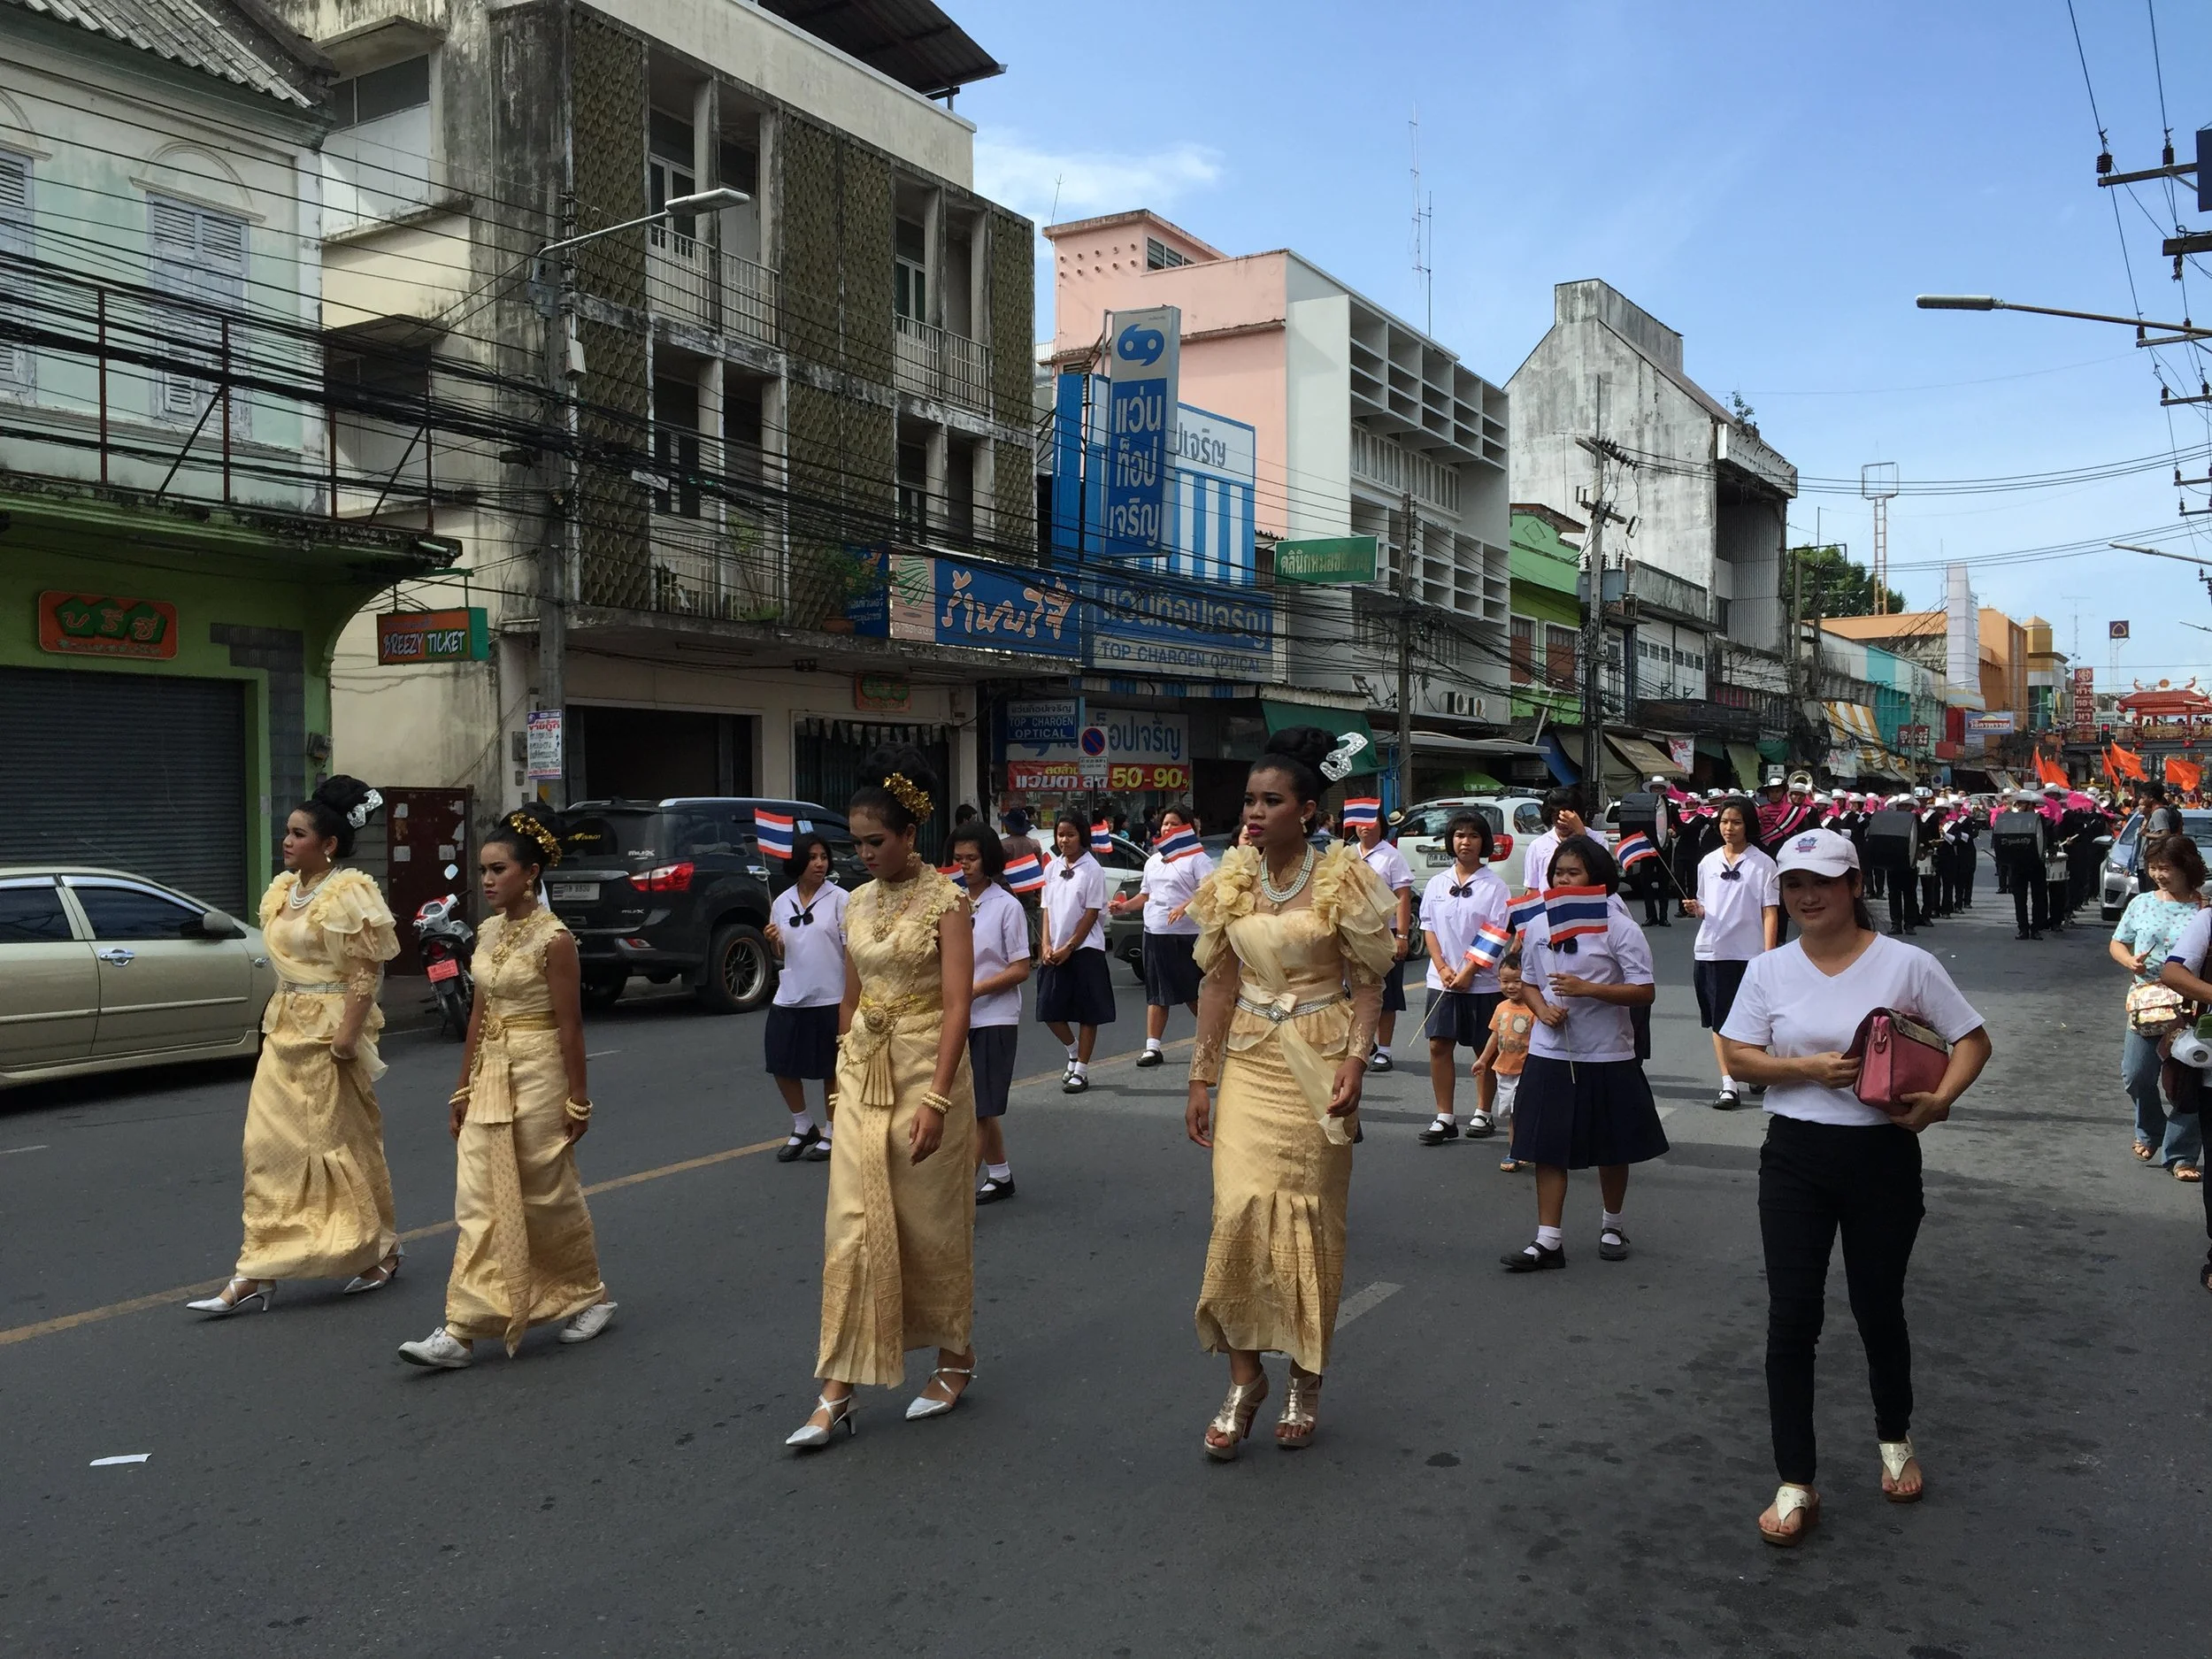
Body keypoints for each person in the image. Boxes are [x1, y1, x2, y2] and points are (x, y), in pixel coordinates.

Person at [1719, 828, 1993, 1548]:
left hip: (1882, 1154)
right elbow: (1739, 1056)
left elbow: (1971, 1039)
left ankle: (1893, 1432)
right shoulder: (1769, 970)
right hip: (1795, 1156)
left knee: (1877, 1303)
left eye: (1823, 881)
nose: (1808, 895)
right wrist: (1802, 1069)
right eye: (1794, 884)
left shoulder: (1908, 964)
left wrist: (1940, 1102)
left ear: (1854, 885)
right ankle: (1795, 1478)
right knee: (1792, 1315)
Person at [1184, 726, 1396, 1457]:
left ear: (1306, 809)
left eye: (1270, 800)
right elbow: (1217, 981)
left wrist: (1357, 1062)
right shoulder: (1233, 878)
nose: (1254, 811)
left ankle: (1306, 1373)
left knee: (1309, 1222)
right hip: (1248, 1055)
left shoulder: (1346, 878)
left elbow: (1369, 982)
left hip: (1319, 1055)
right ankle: (1245, 1379)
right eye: (1248, 799)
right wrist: (1200, 1076)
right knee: (1237, 1208)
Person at [786, 749, 978, 1448]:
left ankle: (955, 1354)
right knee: (853, 1223)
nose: (864, 854)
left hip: (928, 1068)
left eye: (876, 841)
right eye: (856, 843)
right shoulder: (855, 902)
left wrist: (937, 1099)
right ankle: (838, 1385)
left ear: (909, 835)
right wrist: (840, 1078)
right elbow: (851, 994)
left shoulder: (947, 900)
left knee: (926, 1223)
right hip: (865, 1070)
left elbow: (959, 1004)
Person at [397, 810, 617, 1368]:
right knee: (478, 1197)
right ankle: (462, 1329)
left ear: (532, 873)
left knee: (543, 1194)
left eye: (499, 870)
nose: (489, 881)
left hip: (540, 1073)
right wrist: (461, 1088)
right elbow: (478, 1014)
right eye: (484, 871)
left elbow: (570, 1026)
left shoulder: (554, 939)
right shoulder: (489, 931)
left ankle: (586, 1295)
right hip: (491, 1072)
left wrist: (579, 1098)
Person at [188, 777, 402, 1317]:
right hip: (283, 1032)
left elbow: (364, 971)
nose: (286, 841)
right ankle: (257, 1268)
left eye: (298, 833)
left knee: (341, 1145)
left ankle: (377, 1250)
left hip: (331, 1036)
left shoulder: (348, 891)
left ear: (327, 844)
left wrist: (348, 1038)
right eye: (287, 831)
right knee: (265, 1148)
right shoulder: (285, 890)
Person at [1499, 833, 1666, 1271]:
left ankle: (1613, 1224)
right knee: (1547, 1146)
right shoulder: (1538, 924)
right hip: (1551, 1054)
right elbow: (1529, 980)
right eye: (1558, 873)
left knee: (1612, 1146)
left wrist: (1589, 989)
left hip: (1608, 1054)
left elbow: (1644, 991)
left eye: (1574, 872)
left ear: (1597, 878)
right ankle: (1548, 1240)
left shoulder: (1620, 927)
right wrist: (1541, 1010)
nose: (1564, 880)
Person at [2113, 833, 2207, 1182]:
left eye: (2165, 868)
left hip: (2191, 1008)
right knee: (2136, 1074)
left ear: (2186, 868)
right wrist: (2129, 963)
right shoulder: (2141, 904)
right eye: (2153, 867)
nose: (2158, 875)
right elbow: (2117, 943)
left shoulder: (2203, 909)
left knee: (2189, 1083)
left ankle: (2181, 1154)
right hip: (2147, 1004)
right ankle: (2149, 1129)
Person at [1416, 811, 1511, 1144]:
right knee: (1439, 1044)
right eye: (1458, 835)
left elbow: (1496, 933)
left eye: (1473, 835)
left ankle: (1483, 1112)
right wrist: (1442, 968)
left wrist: (1470, 971)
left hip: (1483, 981)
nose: (1465, 841)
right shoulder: (1437, 883)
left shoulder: (1494, 886)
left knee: (1483, 1047)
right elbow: (1428, 928)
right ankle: (1445, 1116)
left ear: (1484, 842)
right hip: (1441, 981)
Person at [949, 824, 1032, 1204]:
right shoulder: (952, 903)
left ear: (989, 860)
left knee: (980, 1107)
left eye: (972, 858)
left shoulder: (1007, 906)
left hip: (994, 1017)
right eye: (959, 859)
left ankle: (959, 1194)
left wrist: (975, 990)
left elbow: (1020, 968)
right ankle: (1000, 1175)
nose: (965, 866)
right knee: (978, 1104)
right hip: (959, 1017)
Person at [1686, 795, 1780, 1111]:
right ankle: (1729, 1084)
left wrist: (1768, 955)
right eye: (1725, 822)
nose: (1729, 828)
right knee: (1720, 1021)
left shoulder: (1763, 864)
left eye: (1736, 822)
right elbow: (1706, 906)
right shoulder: (1708, 862)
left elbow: (1770, 911)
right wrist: (1696, 909)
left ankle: (1755, 1065)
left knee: (1756, 1018)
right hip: (1712, 951)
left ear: (1748, 825)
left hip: (1750, 953)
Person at [764, 832, 848, 1164]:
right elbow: (781, 952)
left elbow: (850, 950)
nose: (820, 863)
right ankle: (803, 1124)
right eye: (812, 858)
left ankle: (833, 1129)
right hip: (791, 994)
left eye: (823, 857)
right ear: (798, 862)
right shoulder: (782, 902)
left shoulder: (841, 899)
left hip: (831, 995)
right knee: (780, 1062)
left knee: (831, 1068)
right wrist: (772, 940)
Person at [1109, 805, 1214, 1070]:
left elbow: (1210, 890)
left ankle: (1214, 1041)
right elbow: (1145, 895)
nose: (1167, 828)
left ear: (1187, 828)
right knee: (1157, 993)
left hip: (1186, 935)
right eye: (1165, 824)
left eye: (1174, 824)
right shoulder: (1153, 860)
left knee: (1192, 992)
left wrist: (1185, 907)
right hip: (1154, 933)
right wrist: (1124, 906)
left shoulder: (1197, 858)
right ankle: (1152, 1047)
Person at [1036, 810, 1115, 1093]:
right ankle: (1072, 1051)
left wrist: (1070, 946)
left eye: (1070, 834)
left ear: (1082, 836)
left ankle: (1081, 1069)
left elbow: (1092, 912)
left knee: (1087, 1012)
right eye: (1060, 834)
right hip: (1055, 949)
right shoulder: (1051, 868)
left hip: (1084, 949)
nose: (1064, 840)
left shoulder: (1092, 869)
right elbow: (1045, 909)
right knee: (1048, 1008)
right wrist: (1046, 945)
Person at [1348, 803, 1416, 1071]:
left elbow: (1403, 897)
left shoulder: (1391, 856)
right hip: (1353, 934)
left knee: (1387, 993)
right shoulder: (1347, 855)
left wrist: (1401, 934)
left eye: (1370, 821)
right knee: (1353, 991)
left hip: (1383, 933)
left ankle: (1384, 1050)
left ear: (1380, 824)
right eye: (1359, 821)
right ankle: (1363, 1044)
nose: (1364, 826)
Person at [1471, 946, 1536, 1172]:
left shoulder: (1535, 1009)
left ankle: (1517, 1152)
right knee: (1510, 1112)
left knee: (1521, 1111)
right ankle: (1520, 1148)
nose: (1511, 986)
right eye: (1505, 981)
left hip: (1528, 1071)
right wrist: (1483, 1061)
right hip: (1504, 1070)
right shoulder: (1500, 1008)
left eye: (1517, 981)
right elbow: (1494, 1036)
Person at [1523, 787, 1586, 895]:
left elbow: (1601, 876)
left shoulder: (1596, 840)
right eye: (1556, 817)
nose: (1561, 823)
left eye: (1566, 817)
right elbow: (1532, 889)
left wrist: (1581, 834)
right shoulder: (1537, 845)